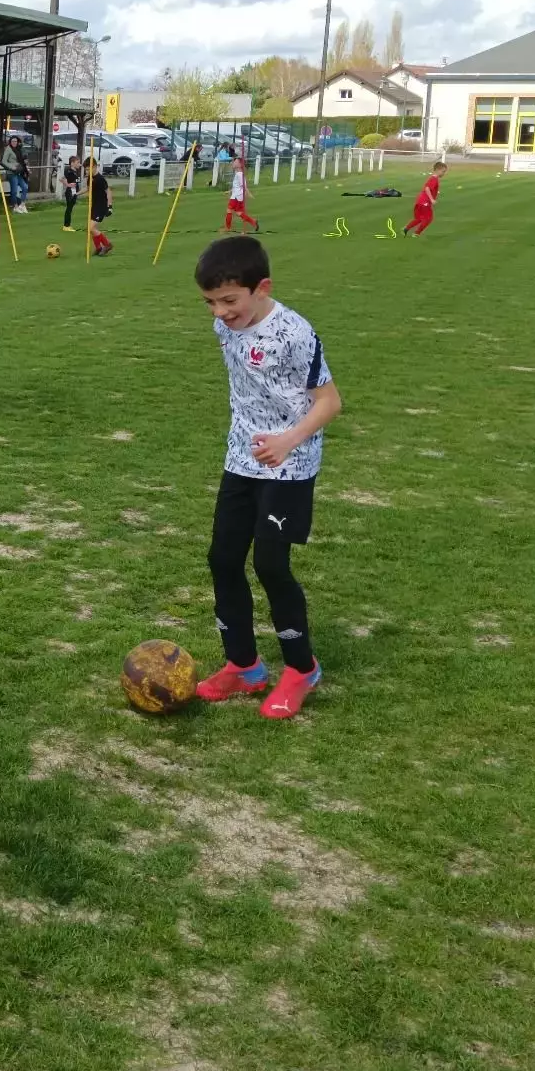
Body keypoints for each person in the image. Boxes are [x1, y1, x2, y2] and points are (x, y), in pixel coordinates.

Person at [191, 236, 342, 720]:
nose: (219, 312)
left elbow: (329, 402)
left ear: (262, 289)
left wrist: (287, 440)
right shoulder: (225, 326)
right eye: (210, 302)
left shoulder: (295, 333)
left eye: (229, 301)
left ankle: (301, 668)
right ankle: (244, 665)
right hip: (241, 458)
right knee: (222, 558)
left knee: (271, 566)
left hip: (289, 463)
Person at [405, 160, 446, 236]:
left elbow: (428, 188)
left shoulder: (433, 178)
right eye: (443, 171)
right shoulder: (434, 179)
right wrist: (432, 199)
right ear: (437, 170)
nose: (444, 173)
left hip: (420, 201)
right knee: (428, 219)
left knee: (419, 218)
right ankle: (416, 233)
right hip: (425, 202)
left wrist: (435, 193)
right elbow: (427, 188)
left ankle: (406, 229)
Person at [223, 155, 258, 232]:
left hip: (236, 196)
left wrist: (249, 194)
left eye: (235, 162)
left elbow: (244, 186)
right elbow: (237, 186)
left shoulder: (239, 174)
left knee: (229, 210)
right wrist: (229, 191)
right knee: (239, 213)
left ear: (239, 165)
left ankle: (227, 228)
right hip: (238, 195)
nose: (233, 163)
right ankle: (253, 221)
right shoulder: (238, 173)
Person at [90, 164, 114, 255]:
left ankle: (107, 244)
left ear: (95, 167)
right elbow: (88, 188)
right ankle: (98, 248)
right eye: (86, 169)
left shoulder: (100, 179)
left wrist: (110, 206)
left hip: (101, 206)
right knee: (91, 229)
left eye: (89, 169)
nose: (87, 171)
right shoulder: (90, 178)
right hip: (94, 206)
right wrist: (76, 194)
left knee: (91, 228)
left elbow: (108, 191)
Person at [61, 154, 83, 229]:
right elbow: (62, 179)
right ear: (72, 163)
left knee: (70, 208)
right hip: (70, 192)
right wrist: (68, 185)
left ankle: (68, 225)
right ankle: (66, 226)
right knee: (69, 208)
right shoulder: (68, 170)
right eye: (78, 162)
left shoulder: (76, 171)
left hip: (74, 192)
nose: (79, 164)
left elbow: (77, 181)